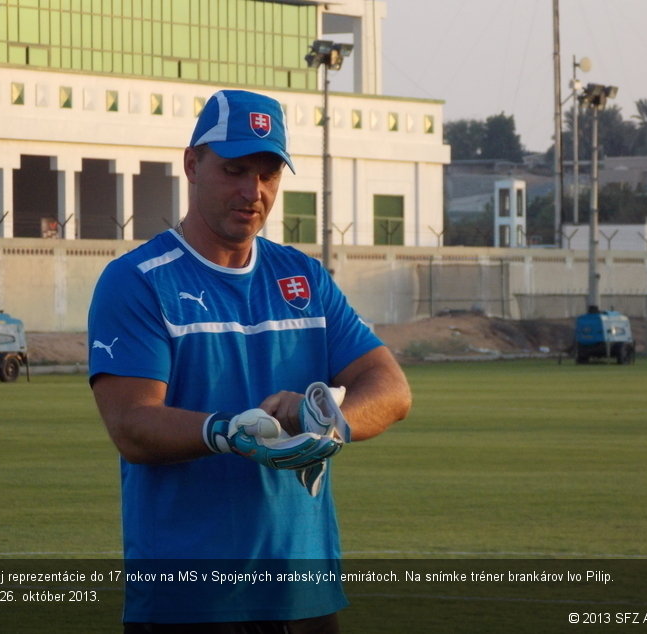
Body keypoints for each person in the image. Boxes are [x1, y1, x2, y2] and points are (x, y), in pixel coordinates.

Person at [88, 89, 412, 632]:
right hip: (191, 601)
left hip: (306, 595)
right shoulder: (138, 281)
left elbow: (391, 388)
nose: (252, 191)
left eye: (268, 174)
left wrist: (325, 421)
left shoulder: (303, 278)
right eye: (234, 170)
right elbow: (132, 425)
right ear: (192, 164)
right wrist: (231, 431)